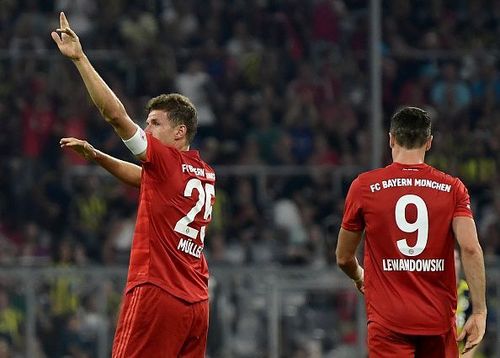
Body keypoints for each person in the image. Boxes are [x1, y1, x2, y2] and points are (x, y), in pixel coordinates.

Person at [52, 12, 216, 357]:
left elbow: (114, 116)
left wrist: (80, 59)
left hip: (157, 292)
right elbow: (144, 179)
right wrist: (98, 157)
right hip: (196, 304)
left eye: (155, 123)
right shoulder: (202, 172)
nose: (149, 130)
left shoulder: (164, 160)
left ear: (180, 131)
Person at [335, 106, 486, 357]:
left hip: (388, 323)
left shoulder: (364, 187)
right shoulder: (452, 188)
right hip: (437, 321)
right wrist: (479, 311)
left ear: (391, 139)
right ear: (429, 143)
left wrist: (361, 277)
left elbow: (343, 257)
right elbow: (470, 248)